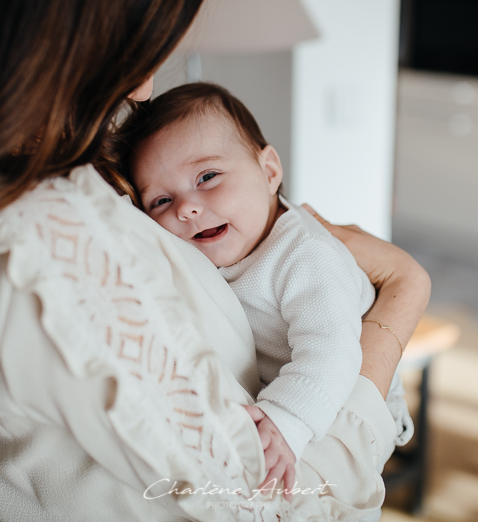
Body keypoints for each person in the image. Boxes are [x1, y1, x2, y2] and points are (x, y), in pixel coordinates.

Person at [0, 0, 431, 521]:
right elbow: (267, 507)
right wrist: (402, 295)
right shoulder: (44, 243)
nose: (145, 86)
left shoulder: (5, 197)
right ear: (50, 25)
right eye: (135, 45)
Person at [113, 82, 415, 494]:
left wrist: (285, 419)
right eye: (161, 202)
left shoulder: (304, 255)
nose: (187, 207)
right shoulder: (208, 254)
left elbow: (333, 350)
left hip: (345, 392)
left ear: (269, 171)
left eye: (207, 176)